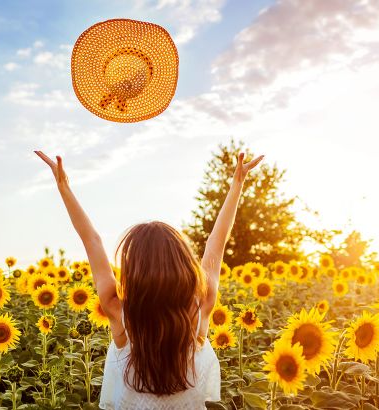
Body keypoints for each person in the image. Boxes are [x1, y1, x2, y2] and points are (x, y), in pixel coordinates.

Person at [34, 150, 264, 409]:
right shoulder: (199, 309)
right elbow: (216, 243)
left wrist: (64, 187)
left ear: (135, 272)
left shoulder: (120, 313)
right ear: (183, 266)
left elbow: (92, 240)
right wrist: (237, 186)